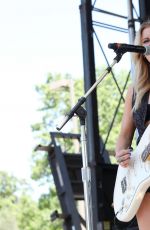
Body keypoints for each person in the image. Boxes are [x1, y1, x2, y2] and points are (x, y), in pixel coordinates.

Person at [115, 19, 150, 230]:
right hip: (143, 178)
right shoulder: (135, 91)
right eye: (146, 40)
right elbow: (124, 136)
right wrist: (121, 154)